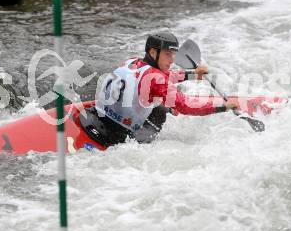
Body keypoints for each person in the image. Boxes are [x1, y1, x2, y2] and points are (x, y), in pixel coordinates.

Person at [79, 31, 238, 147]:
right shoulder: (157, 78)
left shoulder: (132, 62)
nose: (172, 60)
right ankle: (146, 144)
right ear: (153, 52)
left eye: (174, 54)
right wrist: (224, 106)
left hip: (96, 117)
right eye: (168, 54)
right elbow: (186, 106)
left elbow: (162, 77)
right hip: (118, 135)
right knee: (162, 109)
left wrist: (193, 75)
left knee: (157, 101)